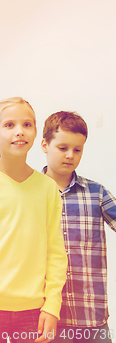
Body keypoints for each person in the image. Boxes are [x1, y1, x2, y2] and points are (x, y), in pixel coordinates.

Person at [0, 97, 68, 343]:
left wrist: (52, 305)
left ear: (36, 132)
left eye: (27, 124)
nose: (19, 132)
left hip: (34, 313)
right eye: (9, 125)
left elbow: (56, 253)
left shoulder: (48, 188)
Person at [41, 111, 116, 343]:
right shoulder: (29, 193)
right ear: (45, 145)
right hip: (44, 316)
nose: (70, 155)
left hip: (91, 317)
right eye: (62, 148)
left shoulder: (96, 193)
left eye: (77, 149)